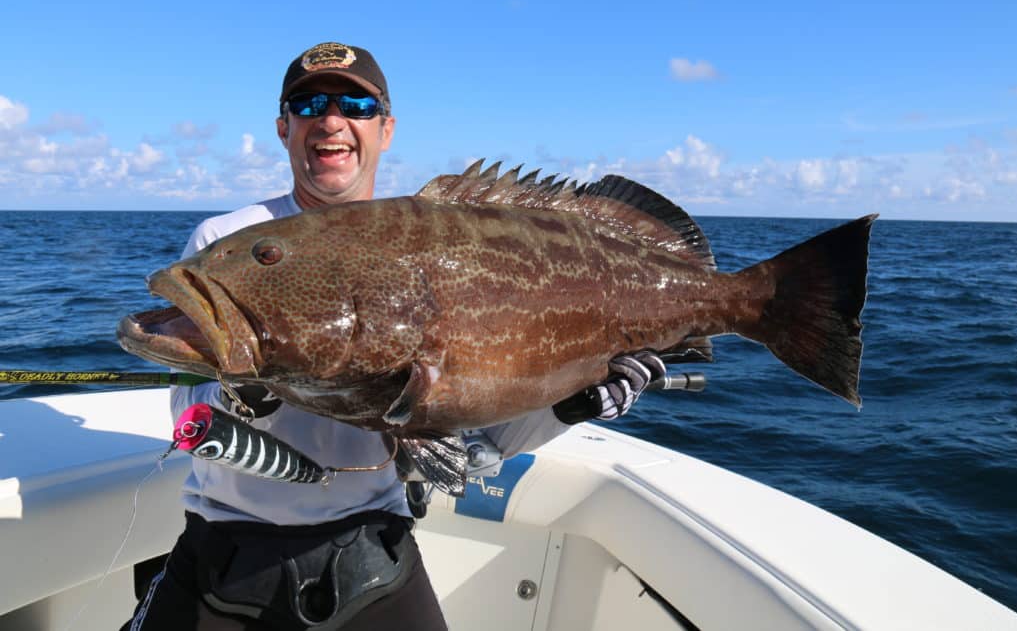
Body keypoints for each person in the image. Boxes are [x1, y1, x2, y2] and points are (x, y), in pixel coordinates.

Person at [122, 41, 666, 631]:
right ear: (284, 128)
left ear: (385, 128)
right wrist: (235, 390)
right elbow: (187, 407)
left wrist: (570, 406)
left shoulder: (431, 237)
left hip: (373, 548)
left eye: (355, 103)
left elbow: (471, 445)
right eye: (308, 105)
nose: (332, 119)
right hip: (227, 547)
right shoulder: (229, 237)